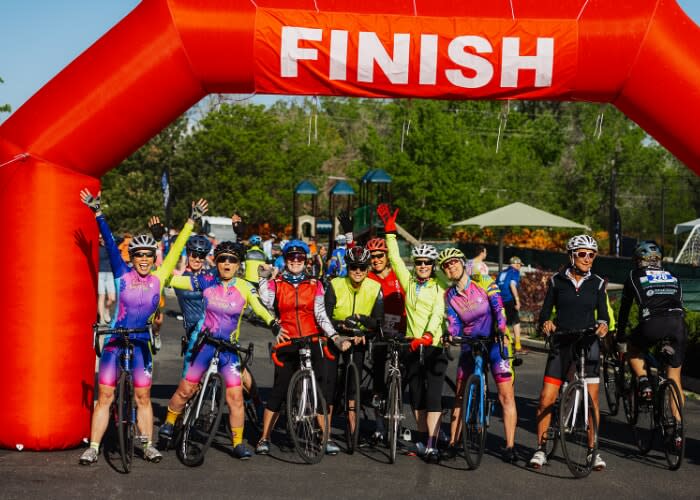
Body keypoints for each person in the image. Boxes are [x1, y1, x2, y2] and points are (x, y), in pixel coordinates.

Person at [78, 188, 207, 465]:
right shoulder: (122, 273)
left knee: (143, 396)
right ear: (133, 257)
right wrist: (98, 213)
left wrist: (191, 221)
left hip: (140, 344)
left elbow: (177, 248)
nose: (145, 259)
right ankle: (94, 447)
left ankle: (148, 445)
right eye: (139, 255)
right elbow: (109, 243)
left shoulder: (159, 277)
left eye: (149, 254)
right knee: (106, 396)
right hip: (115, 341)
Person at [160, 241, 276, 460]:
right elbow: (172, 279)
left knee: (236, 398)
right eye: (222, 259)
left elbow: (259, 307)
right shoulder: (207, 281)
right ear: (217, 262)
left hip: (229, 350)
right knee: (186, 389)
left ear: (238, 265)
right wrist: (154, 275)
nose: (227, 263)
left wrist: (273, 323)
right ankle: (169, 422)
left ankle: (237, 443)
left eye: (232, 260)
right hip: (206, 344)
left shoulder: (244, 287)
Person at [529, 235, 609, 471]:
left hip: (588, 343)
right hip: (562, 343)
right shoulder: (557, 281)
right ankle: (541, 449)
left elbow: (603, 314)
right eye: (583, 253)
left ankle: (593, 451)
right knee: (546, 398)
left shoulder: (598, 283)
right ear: (572, 256)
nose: (587, 258)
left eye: (592, 254)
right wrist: (546, 323)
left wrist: (603, 325)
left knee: (593, 401)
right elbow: (545, 313)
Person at [254, 240, 342, 455]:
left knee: (320, 390)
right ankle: (264, 437)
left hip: (312, 339)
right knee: (279, 390)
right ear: (285, 260)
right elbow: (265, 303)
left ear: (306, 260)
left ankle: (325, 437)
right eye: (291, 257)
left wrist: (334, 335)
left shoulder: (315, 284)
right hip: (288, 341)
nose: (295, 261)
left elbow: (320, 314)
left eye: (300, 257)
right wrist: (263, 279)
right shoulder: (277, 283)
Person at [377, 203, 446, 463]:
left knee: (433, 397)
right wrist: (390, 233)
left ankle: (433, 444)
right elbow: (395, 259)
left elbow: (438, 312)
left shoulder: (439, 286)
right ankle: (422, 439)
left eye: (427, 263)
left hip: (432, 345)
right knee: (416, 397)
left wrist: (428, 335)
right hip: (411, 345)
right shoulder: (409, 282)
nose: (423, 266)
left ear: (432, 265)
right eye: (419, 262)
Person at [438, 248, 518, 462]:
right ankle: (453, 443)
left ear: (462, 263)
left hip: (495, 342)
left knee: (506, 395)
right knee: (460, 394)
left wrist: (501, 328)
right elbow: (454, 322)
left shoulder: (483, 281)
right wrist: (451, 334)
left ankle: (510, 446)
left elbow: (498, 308)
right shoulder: (450, 295)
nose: (451, 267)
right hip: (470, 343)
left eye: (454, 262)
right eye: (446, 266)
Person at [617, 241, 686, 419]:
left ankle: (643, 381)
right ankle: (678, 426)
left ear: (639, 260)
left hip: (652, 324)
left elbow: (625, 309)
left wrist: (620, 334)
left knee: (633, 350)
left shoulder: (634, 275)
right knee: (674, 377)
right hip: (677, 324)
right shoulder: (673, 276)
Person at [324, 246, 383, 451]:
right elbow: (326, 317)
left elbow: (378, 321)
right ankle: (325, 434)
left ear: (368, 269)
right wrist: (341, 328)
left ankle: (353, 431)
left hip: (358, 340)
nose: (358, 271)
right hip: (334, 337)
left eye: (362, 267)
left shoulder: (375, 287)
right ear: (347, 268)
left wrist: (362, 326)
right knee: (329, 384)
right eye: (353, 267)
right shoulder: (335, 284)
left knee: (353, 387)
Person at [365, 236, 406, 442]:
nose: (376, 259)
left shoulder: (399, 275)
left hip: (402, 331)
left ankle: (397, 416)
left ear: (387, 256)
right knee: (378, 376)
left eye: (380, 255)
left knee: (402, 375)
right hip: (379, 332)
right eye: (372, 256)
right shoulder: (368, 278)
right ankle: (379, 424)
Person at [172, 234, 213, 372]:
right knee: (191, 376)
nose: (197, 259)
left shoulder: (209, 276)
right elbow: (164, 267)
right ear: (188, 254)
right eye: (194, 255)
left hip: (213, 328)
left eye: (201, 256)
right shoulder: (179, 277)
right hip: (193, 331)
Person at [496, 256, 524, 352]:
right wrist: (517, 300)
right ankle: (517, 345)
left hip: (499, 299)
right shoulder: (514, 272)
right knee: (516, 321)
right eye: (520, 265)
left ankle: (505, 344)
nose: (520, 267)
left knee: (504, 321)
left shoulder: (502, 272)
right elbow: (512, 285)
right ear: (516, 264)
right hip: (509, 298)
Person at [97, 234, 116, 325]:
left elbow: (120, 239)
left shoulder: (110, 247)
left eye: (102, 237)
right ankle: (101, 318)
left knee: (112, 298)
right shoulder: (96, 248)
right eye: (100, 238)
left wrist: (109, 236)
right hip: (100, 274)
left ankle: (106, 310)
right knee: (102, 296)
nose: (101, 239)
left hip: (110, 274)